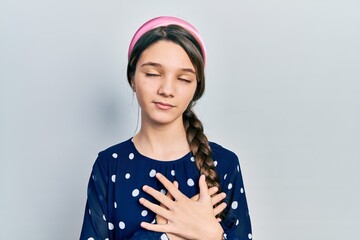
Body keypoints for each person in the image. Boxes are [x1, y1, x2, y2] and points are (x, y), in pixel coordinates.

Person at [80, 16, 252, 240]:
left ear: (196, 88)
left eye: (183, 78)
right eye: (152, 74)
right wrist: (167, 233)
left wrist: (211, 236)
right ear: (132, 77)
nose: (167, 89)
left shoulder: (225, 163)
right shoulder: (110, 164)